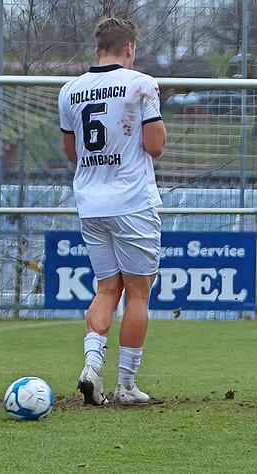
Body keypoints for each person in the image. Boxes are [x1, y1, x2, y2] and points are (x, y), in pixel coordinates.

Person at [59, 17, 167, 405]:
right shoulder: (141, 84)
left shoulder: (70, 90)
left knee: (107, 288)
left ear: (97, 47)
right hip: (132, 202)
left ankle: (91, 366)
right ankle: (125, 384)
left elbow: (72, 154)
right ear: (130, 48)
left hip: (90, 202)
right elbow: (154, 146)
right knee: (138, 294)